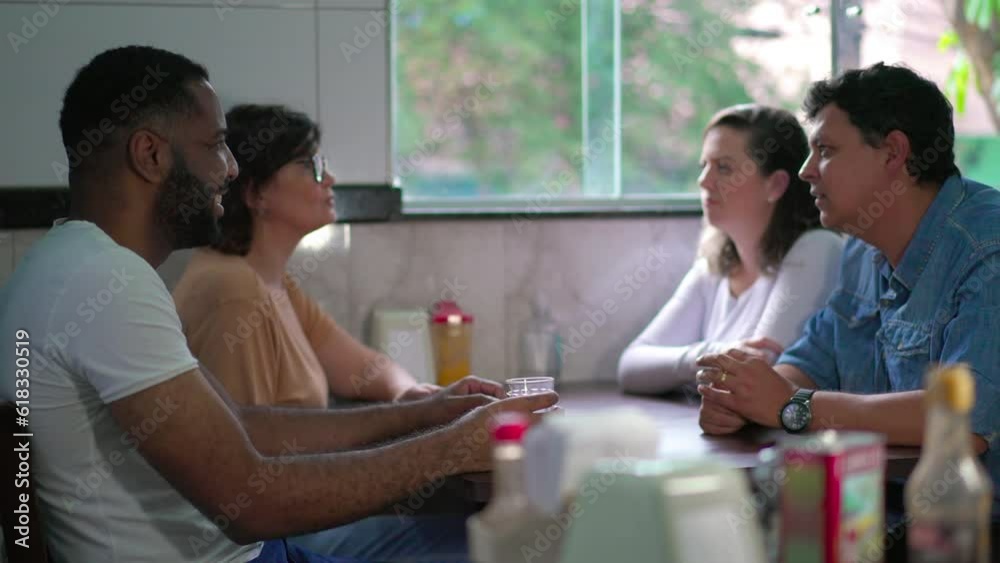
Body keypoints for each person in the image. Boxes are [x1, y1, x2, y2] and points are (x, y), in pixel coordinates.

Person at [0, 45, 556, 563]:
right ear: (150, 155)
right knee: (522, 545)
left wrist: (428, 413)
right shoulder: (105, 282)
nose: (231, 167)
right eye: (214, 145)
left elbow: (243, 426)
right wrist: (452, 448)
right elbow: (250, 501)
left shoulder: (67, 266)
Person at [695, 63, 999, 516]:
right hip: (875, 512)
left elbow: (964, 421)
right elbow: (810, 362)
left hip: (968, 531)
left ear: (893, 153)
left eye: (826, 150)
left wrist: (792, 406)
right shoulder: (861, 247)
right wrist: (743, 396)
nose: (806, 171)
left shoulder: (987, 248)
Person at [172, 104, 435, 408]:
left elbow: (363, 368)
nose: (330, 178)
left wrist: (408, 391)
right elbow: (247, 433)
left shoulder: (272, 282)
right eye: (311, 167)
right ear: (255, 193)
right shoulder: (235, 291)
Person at [617, 104, 844, 394]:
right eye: (704, 166)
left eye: (723, 168)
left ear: (775, 185)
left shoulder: (816, 249)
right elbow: (631, 366)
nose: (703, 181)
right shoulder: (711, 269)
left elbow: (757, 371)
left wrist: (689, 365)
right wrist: (712, 353)